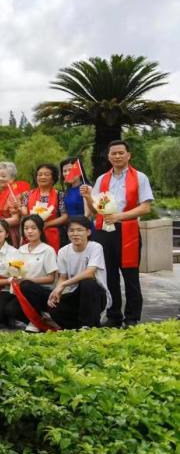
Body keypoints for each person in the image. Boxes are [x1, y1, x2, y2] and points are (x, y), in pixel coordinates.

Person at [81, 139, 153, 327]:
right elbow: (95, 210)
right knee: (109, 275)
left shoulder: (140, 177)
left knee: (130, 275)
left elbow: (145, 207)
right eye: (113, 153)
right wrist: (88, 198)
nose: (117, 156)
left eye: (121, 153)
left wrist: (119, 216)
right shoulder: (102, 179)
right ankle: (114, 316)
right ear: (108, 156)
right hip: (105, 231)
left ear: (129, 155)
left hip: (127, 230)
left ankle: (132, 317)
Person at [17, 218, 110, 330]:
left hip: (95, 296)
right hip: (71, 295)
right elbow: (63, 277)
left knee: (88, 283)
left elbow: (90, 273)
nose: (75, 233)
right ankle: (70, 325)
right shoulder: (63, 251)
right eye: (71, 230)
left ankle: (87, 325)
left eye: (79, 230)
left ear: (88, 232)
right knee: (36, 293)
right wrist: (57, 291)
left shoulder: (95, 247)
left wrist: (63, 284)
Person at [0, 214, 58, 330]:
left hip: (40, 292)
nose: (29, 231)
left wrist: (27, 280)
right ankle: (27, 320)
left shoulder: (48, 250)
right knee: (4, 311)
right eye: (26, 228)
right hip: (21, 291)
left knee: (25, 288)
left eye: (33, 228)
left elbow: (51, 278)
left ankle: (40, 318)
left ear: (40, 229)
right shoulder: (21, 249)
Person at [18, 164, 65, 250]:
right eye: (39, 175)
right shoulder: (27, 194)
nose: (42, 177)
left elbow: (64, 216)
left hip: (52, 233)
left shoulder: (60, 195)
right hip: (31, 232)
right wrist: (19, 208)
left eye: (46, 174)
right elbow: (25, 213)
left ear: (53, 177)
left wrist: (47, 224)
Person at [0, 161, 29, 244]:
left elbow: (16, 219)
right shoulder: (1, 192)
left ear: (12, 178)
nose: (0, 178)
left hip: (9, 234)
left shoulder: (13, 193)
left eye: (3, 176)